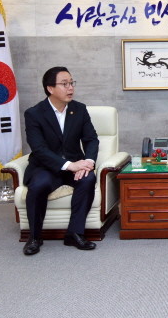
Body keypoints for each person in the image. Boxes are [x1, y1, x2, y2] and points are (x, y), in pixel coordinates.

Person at [21, 66, 99, 256]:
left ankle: (74, 233)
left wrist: (88, 162)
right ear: (50, 88)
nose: (70, 88)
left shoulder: (79, 109)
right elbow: (39, 150)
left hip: (75, 165)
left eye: (72, 83)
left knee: (88, 179)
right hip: (46, 167)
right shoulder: (34, 113)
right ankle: (34, 237)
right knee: (38, 185)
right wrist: (70, 165)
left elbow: (91, 139)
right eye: (64, 84)